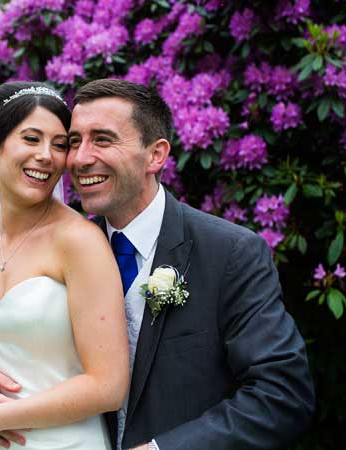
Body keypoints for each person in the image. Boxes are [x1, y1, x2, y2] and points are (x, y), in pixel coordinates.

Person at [66, 79, 316, 450]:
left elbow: (281, 394)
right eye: (74, 141)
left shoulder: (230, 253)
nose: (80, 158)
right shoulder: (64, 252)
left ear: (156, 155)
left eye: (102, 139)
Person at [0, 81, 130, 449]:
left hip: (66, 440)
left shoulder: (80, 242)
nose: (47, 156)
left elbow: (108, 386)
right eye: (31, 139)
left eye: (59, 145)